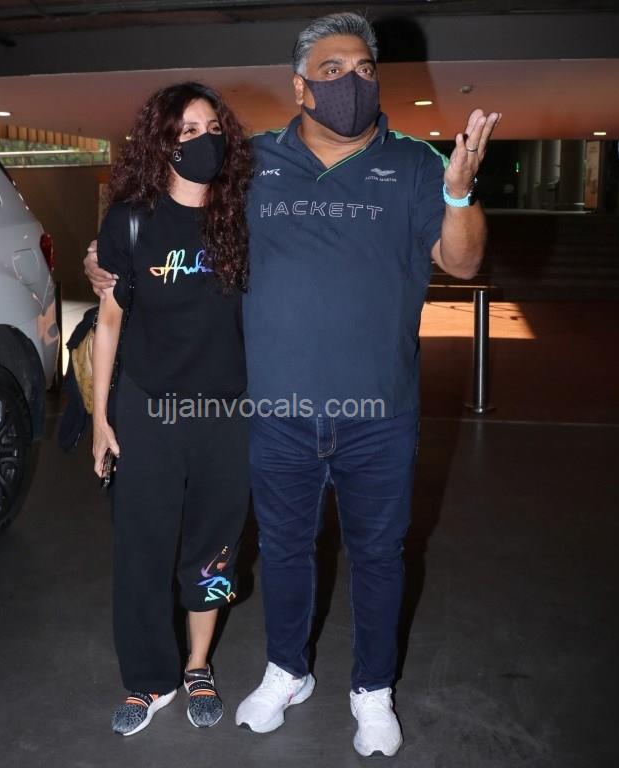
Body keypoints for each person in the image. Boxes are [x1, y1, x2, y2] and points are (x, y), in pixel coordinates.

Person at [85, 13, 500, 757]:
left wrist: (462, 194)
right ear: (301, 86)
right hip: (274, 412)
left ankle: (372, 690)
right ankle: (286, 670)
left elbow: (463, 263)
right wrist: (107, 261)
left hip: (378, 410)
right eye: (334, 70)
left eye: (366, 69)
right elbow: (176, 219)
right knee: (281, 550)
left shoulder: (415, 164)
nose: (353, 82)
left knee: (378, 555)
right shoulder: (253, 165)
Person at [91, 82, 252, 735]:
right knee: (142, 550)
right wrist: (100, 419)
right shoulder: (131, 220)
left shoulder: (242, 219)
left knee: (214, 548)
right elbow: (108, 322)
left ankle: (197, 665)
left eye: (212, 128)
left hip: (226, 418)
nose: (203, 140)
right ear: (162, 142)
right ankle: (148, 679)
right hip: (148, 411)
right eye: (187, 130)